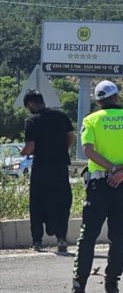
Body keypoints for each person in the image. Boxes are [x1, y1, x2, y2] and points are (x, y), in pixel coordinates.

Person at [72, 80, 123, 293]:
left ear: (98, 102)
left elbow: (87, 150)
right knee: (119, 235)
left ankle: (80, 282)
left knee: (88, 235)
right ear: (116, 97)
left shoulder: (91, 120)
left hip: (98, 184)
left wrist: (111, 168)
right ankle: (112, 284)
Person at [20, 90, 75, 253]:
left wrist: (23, 153)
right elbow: (71, 137)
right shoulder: (61, 116)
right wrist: (61, 150)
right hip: (60, 167)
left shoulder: (31, 121)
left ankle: (37, 241)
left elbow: (30, 148)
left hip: (41, 168)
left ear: (30, 104)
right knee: (62, 202)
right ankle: (61, 239)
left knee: (37, 204)